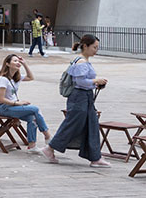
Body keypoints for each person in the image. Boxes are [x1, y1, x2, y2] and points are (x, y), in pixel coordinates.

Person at [41, 34, 111, 168]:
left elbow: (82, 82)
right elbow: (80, 81)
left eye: (97, 47)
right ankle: (50, 148)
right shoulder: (81, 62)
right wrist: (96, 81)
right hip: (80, 97)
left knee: (91, 124)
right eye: (94, 47)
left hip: (84, 97)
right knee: (73, 124)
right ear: (85, 46)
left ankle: (95, 157)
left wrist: (94, 84)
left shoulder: (81, 61)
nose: (96, 50)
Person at [0, 53, 49, 150]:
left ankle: (32, 146)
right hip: (4, 108)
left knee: (32, 118)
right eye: (15, 61)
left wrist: (25, 64)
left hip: (12, 107)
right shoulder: (3, 80)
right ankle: (47, 136)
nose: (18, 63)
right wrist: (16, 103)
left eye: (18, 61)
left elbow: (31, 77)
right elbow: (1, 99)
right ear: (7, 64)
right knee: (35, 109)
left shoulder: (16, 78)